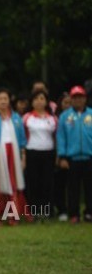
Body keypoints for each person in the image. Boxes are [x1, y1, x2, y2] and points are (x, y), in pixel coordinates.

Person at [0, 88, 31, 225]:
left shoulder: (16, 118)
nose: (3, 101)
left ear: (9, 101)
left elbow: (22, 140)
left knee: (14, 183)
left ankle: (13, 214)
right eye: (0, 99)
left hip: (13, 154)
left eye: (5, 98)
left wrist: (23, 158)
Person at [57, 85, 92, 224]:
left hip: (89, 157)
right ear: (71, 99)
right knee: (73, 188)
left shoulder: (90, 114)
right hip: (72, 158)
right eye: (75, 97)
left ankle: (89, 212)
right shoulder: (65, 117)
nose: (78, 100)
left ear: (85, 99)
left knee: (90, 187)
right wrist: (63, 157)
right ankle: (74, 213)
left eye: (80, 97)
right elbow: (61, 137)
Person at [23, 90, 57, 221]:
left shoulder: (52, 118)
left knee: (47, 183)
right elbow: (23, 137)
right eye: (36, 99)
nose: (39, 101)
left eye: (42, 98)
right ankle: (35, 212)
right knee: (34, 183)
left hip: (48, 153)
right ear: (32, 102)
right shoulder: (27, 117)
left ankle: (46, 212)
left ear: (46, 101)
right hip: (32, 152)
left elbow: (55, 137)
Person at [53, 92, 71, 221]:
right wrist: (59, 156)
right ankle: (61, 210)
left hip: (76, 156)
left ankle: (73, 210)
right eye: (66, 103)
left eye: (70, 103)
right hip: (61, 155)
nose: (68, 105)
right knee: (60, 184)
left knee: (73, 185)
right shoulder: (57, 119)